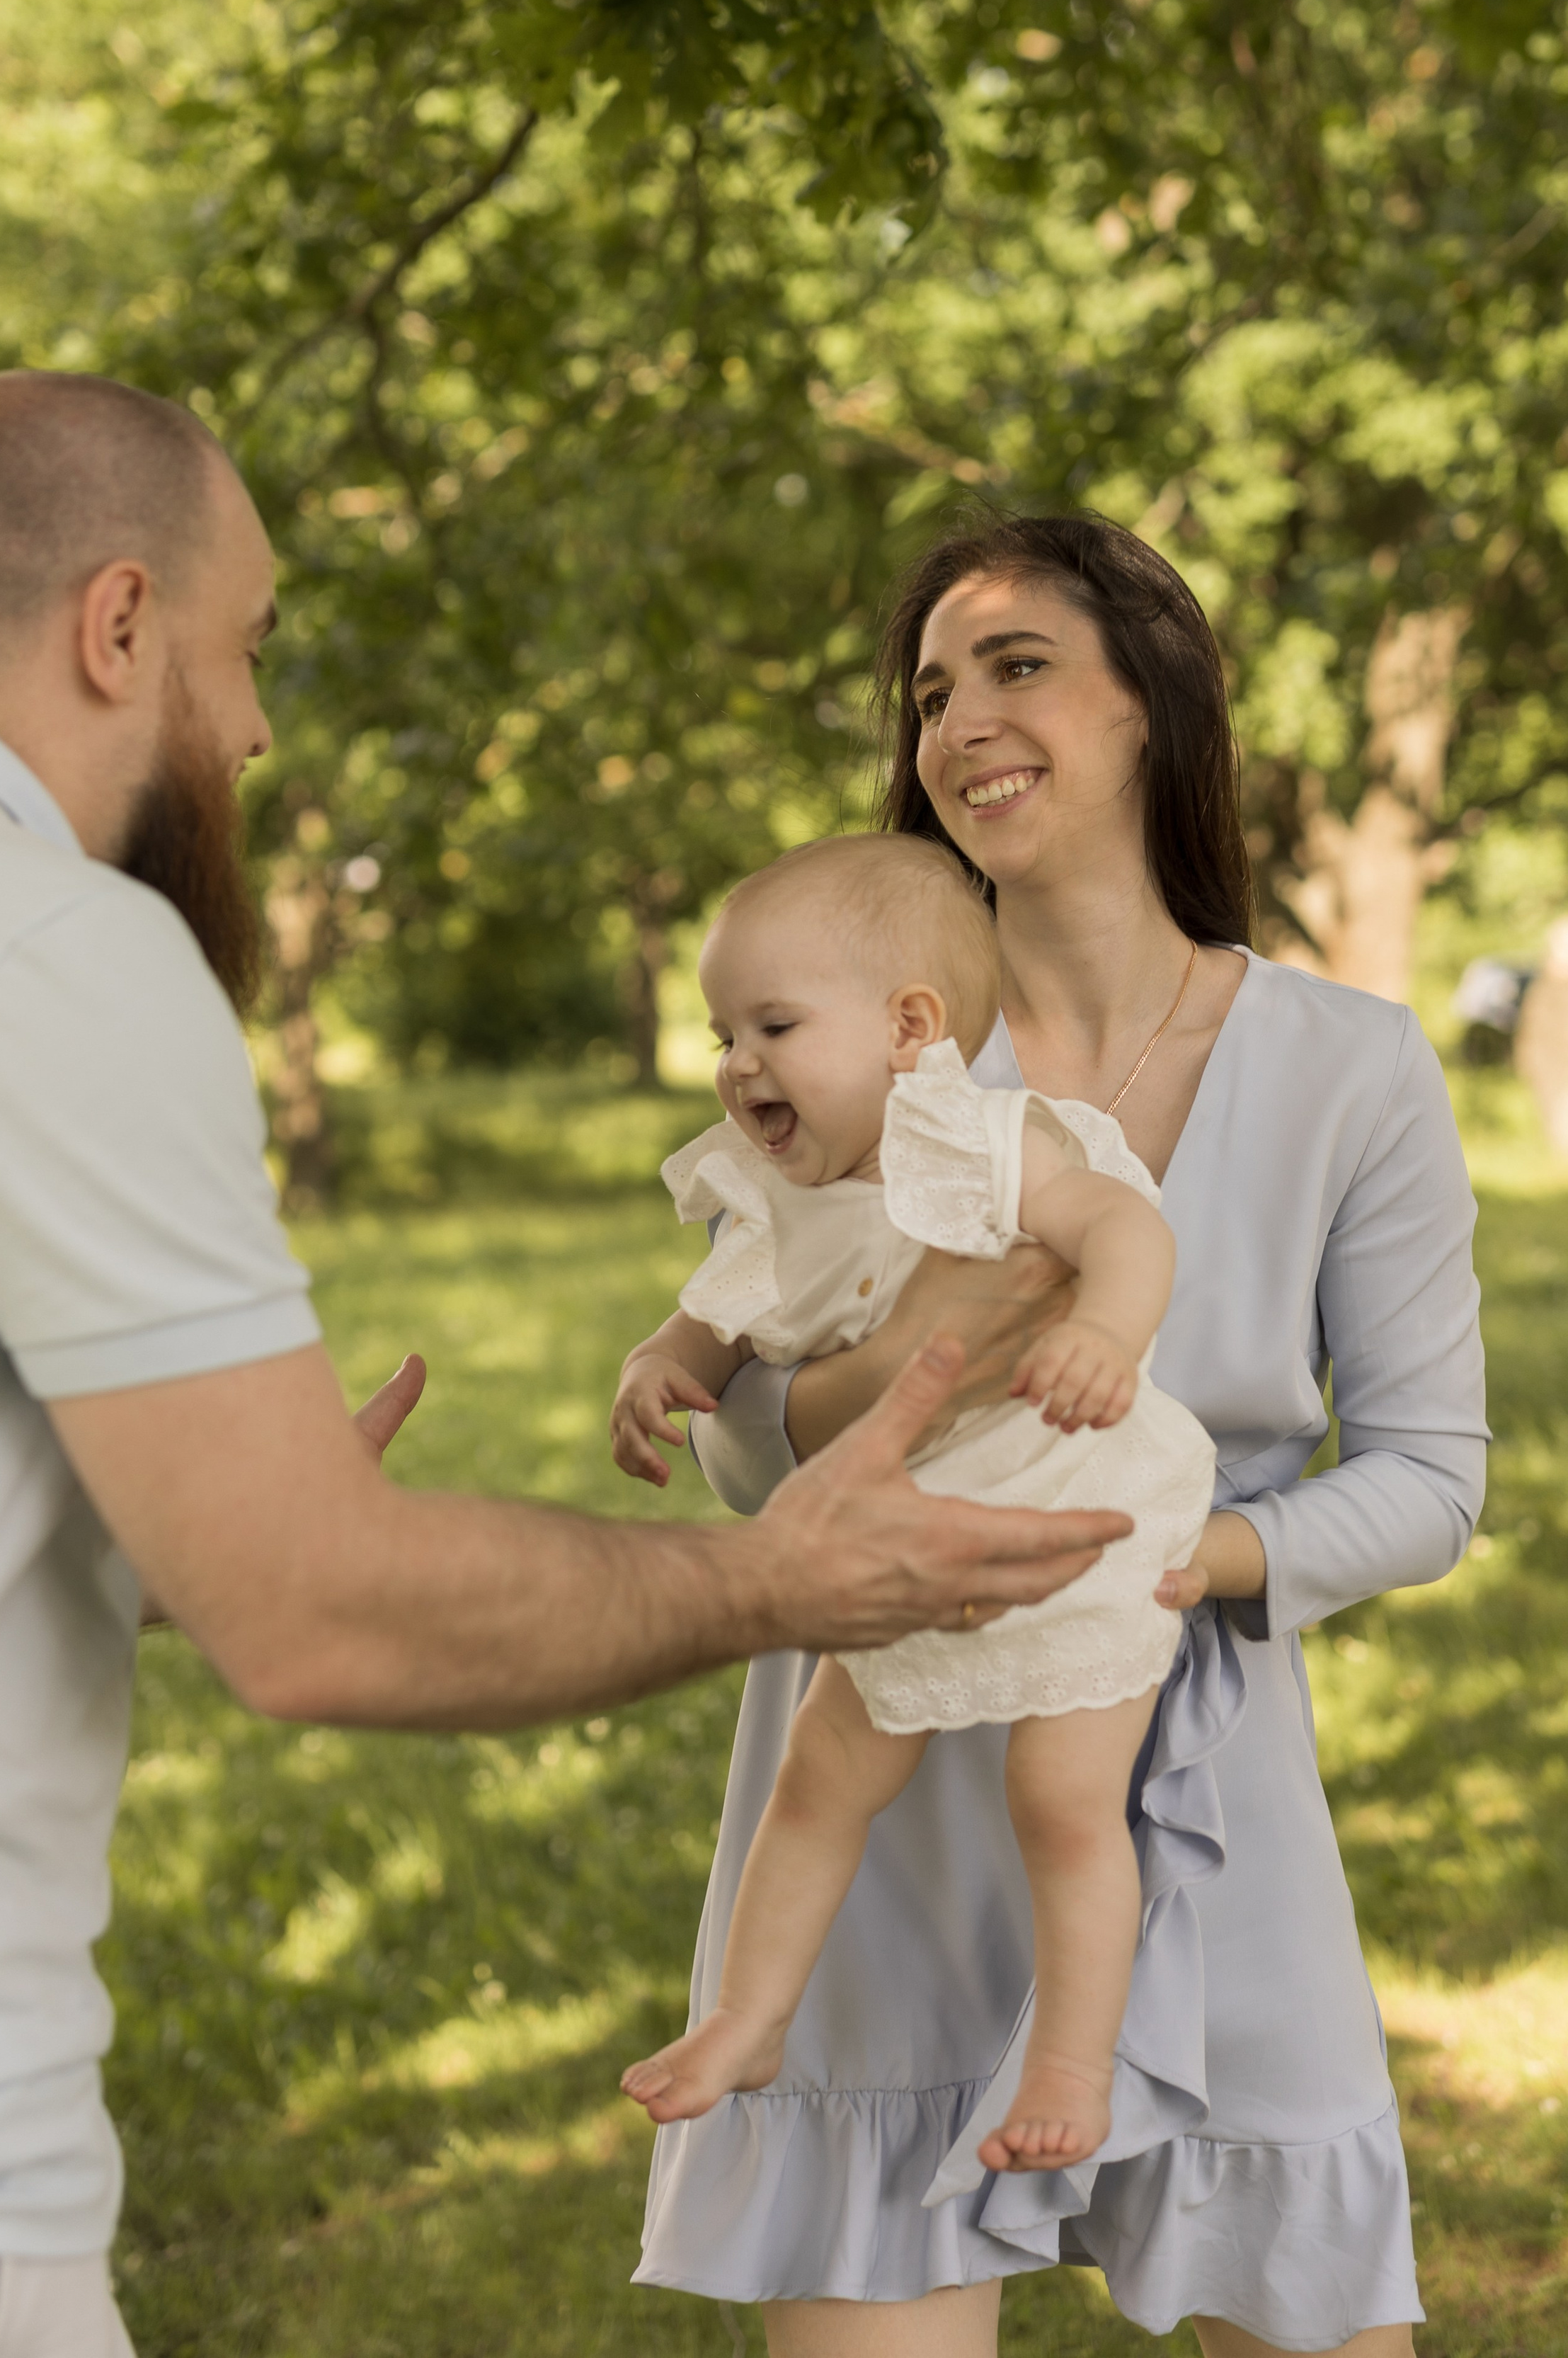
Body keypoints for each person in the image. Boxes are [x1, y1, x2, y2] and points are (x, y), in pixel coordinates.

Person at [0, 382, 1133, 2358]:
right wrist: (781, 1578)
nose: (251, 731)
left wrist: (164, 1518)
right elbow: (324, 1624)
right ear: (121, 625)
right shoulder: (42, 948)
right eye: (246, 656)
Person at [634, 515, 1487, 2358]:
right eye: (932, 689)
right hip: (879, 1783)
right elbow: (747, 1436)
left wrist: (1188, 1565)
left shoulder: (1350, 1065)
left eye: (1015, 664)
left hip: (1188, 1760)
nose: (960, 720)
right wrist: (928, 1357)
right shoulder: (883, 1048)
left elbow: (1430, 1473)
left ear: (1153, 704)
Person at [611, 834, 1215, 2172]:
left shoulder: (994, 1142)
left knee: (1064, 1797)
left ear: (909, 1027)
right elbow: (711, 1325)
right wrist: (660, 1367)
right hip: (916, 1538)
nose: (738, 1064)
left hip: (1078, 1510)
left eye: (773, 1025)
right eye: (723, 1032)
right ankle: (750, 2019)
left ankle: (1073, 2060)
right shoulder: (771, 1194)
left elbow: (1128, 1229)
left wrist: (1109, 1334)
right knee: (817, 1778)